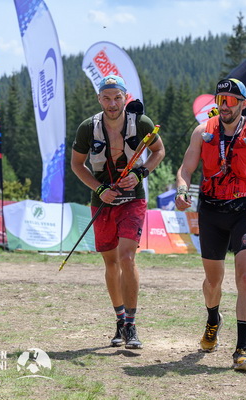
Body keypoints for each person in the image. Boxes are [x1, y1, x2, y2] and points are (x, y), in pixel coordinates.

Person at [175, 78, 246, 372]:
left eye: (231, 101)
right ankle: (213, 320)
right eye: (220, 99)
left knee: (245, 277)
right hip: (211, 210)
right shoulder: (202, 132)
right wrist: (182, 189)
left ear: (243, 104)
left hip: (245, 210)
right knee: (213, 282)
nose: (224, 105)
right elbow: (185, 169)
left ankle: (242, 350)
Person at [71, 75, 165, 350]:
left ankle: (131, 325)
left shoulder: (142, 124)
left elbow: (159, 151)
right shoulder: (88, 128)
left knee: (127, 258)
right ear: (99, 99)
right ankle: (120, 320)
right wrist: (100, 189)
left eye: (117, 98)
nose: (112, 104)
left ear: (125, 98)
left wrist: (141, 173)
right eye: (107, 98)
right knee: (111, 263)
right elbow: (77, 165)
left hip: (132, 200)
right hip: (102, 202)